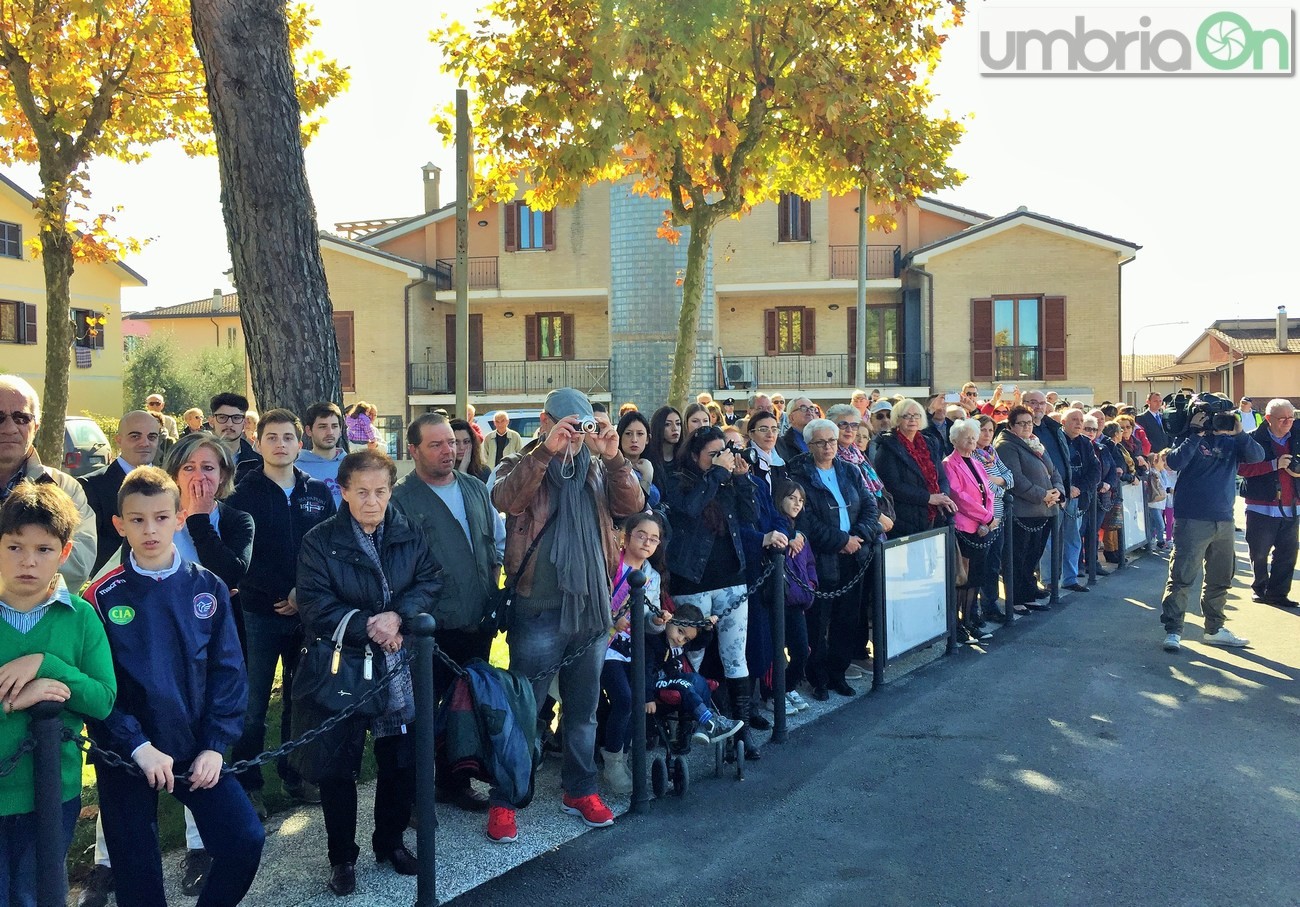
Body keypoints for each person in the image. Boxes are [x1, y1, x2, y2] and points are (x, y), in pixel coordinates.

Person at [85, 466, 264, 907]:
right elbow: (98, 686)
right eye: (138, 520)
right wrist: (135, 744)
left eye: (161, 518)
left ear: (180, 518)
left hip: (193, 748)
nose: (150, 530)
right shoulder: (100, 596)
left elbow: (228, 672)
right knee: (138, 874)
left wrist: (216, 745)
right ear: (119, 525)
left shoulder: (208, 586)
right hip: (127, 754)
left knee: (244, 840)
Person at [489, 388, 644, 844]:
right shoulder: (520, 462)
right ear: (545, 421)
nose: (577, 433)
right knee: (524, 709)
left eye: (584, 425)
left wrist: (615, 458)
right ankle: (504, 798)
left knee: (584, 711)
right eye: (568, 424)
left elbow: (633, 506)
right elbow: (506, 500)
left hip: (591, 609)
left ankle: (579, 789)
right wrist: (545, 452)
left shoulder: (598, 469)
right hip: (537, 607)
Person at [294, 449, 442, 895]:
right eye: (362, 492)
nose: (372, 501)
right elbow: (316, 603)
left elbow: (430, 579)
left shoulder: (406, 531)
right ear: (343, 491)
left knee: (398, 761)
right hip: (344, 666)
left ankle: (391, 841)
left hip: (398, 664)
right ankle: (342, 857)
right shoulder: (320, 540)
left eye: (380, 491)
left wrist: (398, 615)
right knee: (339, 767)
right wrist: (368, 626)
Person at [0, 484, 116, 907]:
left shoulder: (80, 616)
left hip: (52, 792)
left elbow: (102, 699)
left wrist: (45, 662)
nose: (28, 561)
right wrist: (13, 701)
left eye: (44, 550)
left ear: (64, 553)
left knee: (36, 895)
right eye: (15, 546)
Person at [392, 412, 505, 812]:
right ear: (414, 450)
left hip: (476, 623)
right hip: (428, 630)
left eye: (453, 443)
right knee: (420, 715)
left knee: (463, 709)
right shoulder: (400, 499)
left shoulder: (475, 488)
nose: (449, 451)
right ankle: (414, 799)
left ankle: (454, 781)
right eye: (436, 444)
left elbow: (492, 546)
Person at [226, 409, 336, 818]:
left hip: (305, 614)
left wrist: (302, 594)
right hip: (259, 613)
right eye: (272, 437)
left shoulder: (318, 493)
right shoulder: (242, 496)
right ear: (259, 443)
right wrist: (281, 591)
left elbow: (326, 548)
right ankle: (248, 783)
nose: (280, 444)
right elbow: (243, 559)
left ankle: (297, 773)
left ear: (299, 443)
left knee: (300, 698)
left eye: (288, 437)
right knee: (253, 705)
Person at [666, 426, 771, 756]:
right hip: (693, 582)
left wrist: (740, 479)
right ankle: (686, 729)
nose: (720, 460)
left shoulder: (727, 480)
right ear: (695, 456)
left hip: (732, 579)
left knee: (734, 656)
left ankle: (740, 733)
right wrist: (716, 474)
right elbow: (690, 509)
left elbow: (750, 517)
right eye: (712, 455)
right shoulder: (680, 480)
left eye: (723, 453)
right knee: (691, 657)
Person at [1160, 395, 1265, 651]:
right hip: (1192, 518)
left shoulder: (1232, 439)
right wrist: (1195, 433)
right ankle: (1174, 631)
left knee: (1221, 577)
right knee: (1182, 576)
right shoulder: (1188, 437)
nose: (1220, 420)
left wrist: (1239, 433)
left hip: (1224, 519)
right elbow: (1175, 462)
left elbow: (1257, 456)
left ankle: (1214, 628)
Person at [0, 375, 97, 590]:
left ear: (36, 425)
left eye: (21, 418)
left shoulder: (65, 489)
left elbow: (79, 565)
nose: (9, 428)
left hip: (44, 619)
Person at [600, 511, 667, 793]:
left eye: (654, 539)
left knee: (634, 700)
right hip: (604, 647)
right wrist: (611, 619)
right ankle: (612, 762)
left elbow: (648, 626)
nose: (647, 542)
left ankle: (621, 758)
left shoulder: (651, 576)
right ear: (627, 537)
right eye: (641, 535)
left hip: (631, 650)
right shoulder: (610, 565)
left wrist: (656, 621)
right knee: (624, 699)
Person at [994, 405, 1065, 613]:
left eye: (1029, 422)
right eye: (1021, 423)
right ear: (1011, 425)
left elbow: (1054, 472)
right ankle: (1015, 599)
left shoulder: (1036, 443)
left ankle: (1028, 595)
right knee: (1018, 557)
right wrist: (1042, 494)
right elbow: (1015, 479)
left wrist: (1057, 491)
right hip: (1022, 512)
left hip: (1044, 510)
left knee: (1032, 557)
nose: (1026, 426)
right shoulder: (1006, 446)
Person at [644, 603, 742, 745]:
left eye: (686, 639)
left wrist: (707, 628)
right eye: (680, 631)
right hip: (656, 681)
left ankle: (705, 724)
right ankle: (709, 722)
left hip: (673, 679)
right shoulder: (655, 640)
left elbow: (701, 643)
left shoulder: (681, 644)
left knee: (698, 679)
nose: (680, 640)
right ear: (672, 619)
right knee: (685, 685)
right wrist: (648, 697)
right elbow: (645, 669)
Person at [80, 410, 161, 574]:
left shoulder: (172, 484)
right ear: (118, 440)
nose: (145, 443)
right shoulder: (91, 486)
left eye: (152, 437)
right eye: (135, 436)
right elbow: (88, 547)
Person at [1236, 398, 1299, 608]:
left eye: (1291, 417)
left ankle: (1278, 594)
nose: (1288, 422)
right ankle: (1260, 589)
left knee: (1287, 554)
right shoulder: (1252, 439)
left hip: (1292, 505)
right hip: (1260, 506)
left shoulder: (1297, 437)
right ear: (1268, 418)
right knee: (1259, 552)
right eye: (1282, 419)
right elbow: (1242, 469)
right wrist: (1273, 465)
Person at [944, 419, 999, 643]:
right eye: (967, 436)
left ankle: (968, 622)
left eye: (974, 436)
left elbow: (989, 492)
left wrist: (989, 520)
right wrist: (986, 517)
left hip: (983, 528)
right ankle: (956, 626)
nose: (972, 440)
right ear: (955, 440)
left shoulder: (976, 462)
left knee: (976, 578)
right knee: (962, 579)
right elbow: (959, 497)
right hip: (965, 528)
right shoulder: (949, 464)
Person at [872, 398, 956, 538]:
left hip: (934, 518)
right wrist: (928, 498)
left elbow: (941, 477)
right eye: (906, 416)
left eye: (916, 415)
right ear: (897, 419)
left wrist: (943, 497)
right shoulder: (887, 447)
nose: (912, 419)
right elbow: (893, 486)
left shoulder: (929, 442)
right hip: (904, 521)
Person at [772, 478, 815, 712]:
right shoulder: (777, 529)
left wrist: (811, 586)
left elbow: (809, 563)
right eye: (792, 498)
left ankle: (788, 688)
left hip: (798, 600)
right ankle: (776, 693)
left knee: (801, 650)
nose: (797, 504)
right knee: (776, 652)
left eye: (800, 500)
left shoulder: (801, 533)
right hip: (779, 599)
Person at [972, 415, 1014, 619]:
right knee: (982, 564)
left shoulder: (992, 453)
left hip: (999, 517)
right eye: (983, 430)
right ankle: (980, 608)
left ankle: (992, 604)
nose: (987, 434)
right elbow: (984, 488)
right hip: (983, 518)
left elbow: (1010, 477)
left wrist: (997, 481)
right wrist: (1000, 486)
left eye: (990, 430)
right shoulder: (973, 455)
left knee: (994, 563)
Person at [1059, 409, 1100, 592]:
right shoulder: (1056, 439)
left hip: (1077, 498)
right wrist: (1065, 489)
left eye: (1080, 420)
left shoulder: (1085, 443)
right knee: (1052, 540)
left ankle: (1070, 578)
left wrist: (1079, 488)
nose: (1078, 423)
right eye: (1074, 419)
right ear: (1063, 421)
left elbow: (1095, 470)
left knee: (1073, 538)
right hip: (1057, 496)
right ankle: (1050, 579)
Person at [297, 402, 347, 507]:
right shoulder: (296, 469)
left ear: (340, 429)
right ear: (309, 430)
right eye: (323, 427)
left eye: (334, 426)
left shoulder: (353, 465)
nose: (330, 432)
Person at [208, 393, 262, 478]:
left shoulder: (258, 465)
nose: (229, 424)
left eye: (236, 418)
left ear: (244, 422)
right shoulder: (196, 460)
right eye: (222, 417)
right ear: (211, 421)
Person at [616, 410, 660, 509]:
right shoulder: (614, 470)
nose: (634, 439)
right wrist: (647, 476)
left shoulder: (652, 465)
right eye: (628, 434)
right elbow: (636, 506)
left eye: (640, 434)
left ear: (647, 439)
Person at [646, 405, 683, 498]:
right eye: (667, 424)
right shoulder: (648, 458)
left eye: (678, 424)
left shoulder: (685, 457)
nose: (675, 428)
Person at [775, 397, 818, 462]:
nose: (809, 412)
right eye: (803, 408)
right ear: (791, 417)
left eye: (811, 408)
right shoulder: (782, 444)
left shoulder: (822, 438)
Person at [450, 417, 490, 483]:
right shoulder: (442, 473)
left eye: (466, 442)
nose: (461, 447)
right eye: (456, 442)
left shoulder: (483, 472)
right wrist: (462, 471)